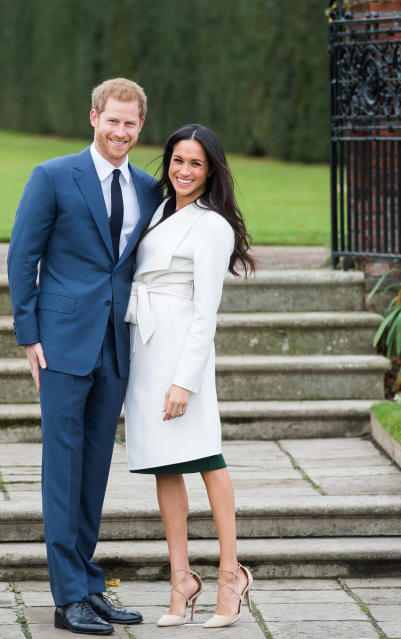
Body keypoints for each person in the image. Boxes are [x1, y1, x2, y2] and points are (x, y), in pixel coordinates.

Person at [7, 78, 163, 636]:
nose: (121, 132)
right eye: (112, 120)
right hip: (62, 344)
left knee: (95, 467)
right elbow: (22, 256)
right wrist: (29, 334)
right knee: (62, 467)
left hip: (117, 346)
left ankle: (89, 584)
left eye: (131, 124)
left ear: (140, 127)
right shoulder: (52, 177)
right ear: (93, 117)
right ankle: (68, 594)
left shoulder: (149, 187)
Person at [123, 123, 257, 628]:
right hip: (146, 347)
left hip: (183, 349)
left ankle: (229, 574)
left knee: (207, 458)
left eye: (196, 163)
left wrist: (185, 381)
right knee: (164, 463)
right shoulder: (159, 209)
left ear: (211, 170)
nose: (184, 170)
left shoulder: (212, 226)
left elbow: (206, 312)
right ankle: (181, 580)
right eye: (178, 160)